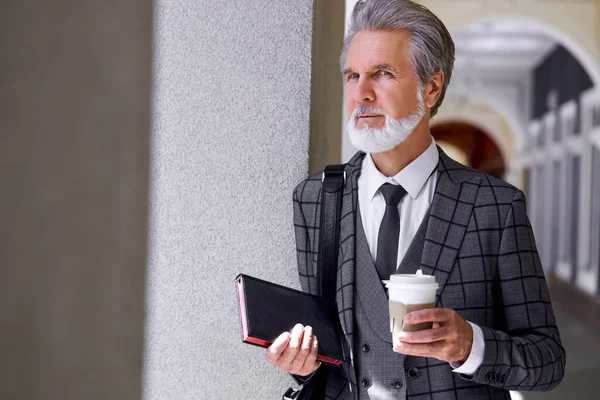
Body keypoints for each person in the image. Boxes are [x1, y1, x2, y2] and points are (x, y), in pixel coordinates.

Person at [265, 0, 566, 398]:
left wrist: (469, 345)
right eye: (353, 76)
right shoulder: (317, 197)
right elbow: (330, 353)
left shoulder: (495, 205)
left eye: (382, 73)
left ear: (432, 86)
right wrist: (303, 366)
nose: (362, 93)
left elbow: (548, 361)